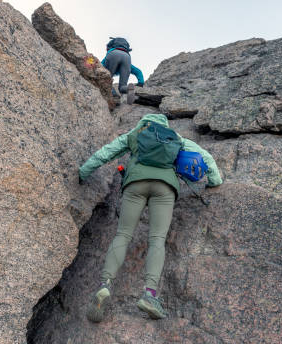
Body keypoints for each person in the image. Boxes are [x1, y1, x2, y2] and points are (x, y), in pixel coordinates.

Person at [78, 113, 223, 321]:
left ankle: (105, 285)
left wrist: (83, 172)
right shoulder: (175, 137)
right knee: (157, 240)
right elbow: (206, 158)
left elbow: (105, 153)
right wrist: (214, 181)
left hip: (135, 184)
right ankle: (149, 294)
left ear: (143, 122)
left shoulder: (135, 134)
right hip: (165, 188)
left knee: (123, 235)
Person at [101, 37, 145, 105]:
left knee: (106, 80)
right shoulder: (126, 54)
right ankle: (129, 88)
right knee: (122, 87)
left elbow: (99, 66)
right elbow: (138, 71)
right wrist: (140, 82)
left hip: (113, 54)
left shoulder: (111, 52)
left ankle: (114, 96)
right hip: (127, 57)